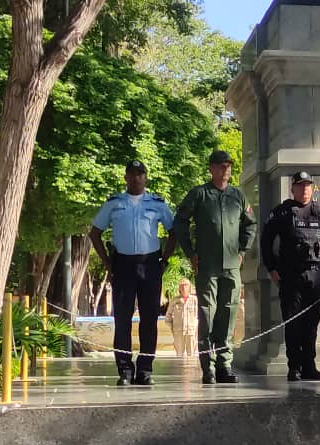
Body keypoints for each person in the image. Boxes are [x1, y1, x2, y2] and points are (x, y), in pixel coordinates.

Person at [90, 160, 176, 386]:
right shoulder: (114, 203)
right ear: (126, 177)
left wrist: (164, 260)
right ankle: (125, 370)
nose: (136, 178)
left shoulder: (156, 203)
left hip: (150, 264)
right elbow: (95, 233)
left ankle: (145, 369)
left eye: (140, 174)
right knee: (122, 319)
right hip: (123, 265)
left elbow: (174, 231)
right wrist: (108, 263)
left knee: (149, 319)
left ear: (146, 177)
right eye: (132, 174)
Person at [173, 150, 257, 384]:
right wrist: (190, 253)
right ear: (211, 168)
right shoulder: (199, 194)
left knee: (228, 314)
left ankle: (224, 365)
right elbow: (179, 222)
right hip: (207, 266)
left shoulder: (238, 196)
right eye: (221, 166)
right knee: (207, 315)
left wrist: (241, 252)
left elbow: (251, 224)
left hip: (231, 266)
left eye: (228, 166)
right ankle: (207, 367)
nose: (226, 170)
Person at [260, 171, 320, 381]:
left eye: (308, 186)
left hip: (316, 277)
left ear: (312, 189)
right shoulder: (282, 213)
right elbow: (266, 241)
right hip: (291, 277)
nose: (304, 190)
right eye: (300, 186)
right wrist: (272, 268)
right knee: (293, 324)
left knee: (311, 325)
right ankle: (294, 366)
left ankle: (309, 366)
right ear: (292, 188)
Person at [165, 279, 198, 358]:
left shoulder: (194, 300)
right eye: (181, 286)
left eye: (186, 285)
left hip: (191, 331)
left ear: (189, 287)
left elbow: (198, 315)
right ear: (179, 288)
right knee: (179, 355)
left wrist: (196, 326)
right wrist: (173, 327)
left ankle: (191, 370)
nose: (184, 288)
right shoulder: (174, 300)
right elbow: (168, 316)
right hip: (178, 332)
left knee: (191, 355)